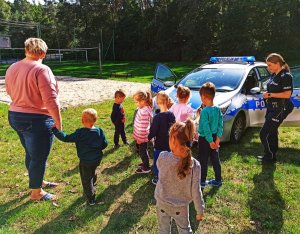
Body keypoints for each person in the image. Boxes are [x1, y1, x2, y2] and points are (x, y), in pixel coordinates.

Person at [5, 38, 62, 201]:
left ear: (26, 51)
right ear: (43, 53)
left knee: (31, 153)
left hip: (15, 116)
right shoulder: (42, 69)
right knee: (38, 157)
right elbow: (51, 100)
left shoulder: (12, 67)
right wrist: (58, 122)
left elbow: (9, 90)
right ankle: (36, 193)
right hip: (37, 119)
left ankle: (38, 181)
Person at [155, 120, 205, 233]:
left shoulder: (162, 157)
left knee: (163, 229)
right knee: (185, 230)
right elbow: (196, 191)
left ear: (172, 140)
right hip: (180, 207)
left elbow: (159, 169)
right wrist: (199, 210)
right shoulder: (195, 165)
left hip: (162, 202)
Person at [52, 108, 108, 205]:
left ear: (82, 121)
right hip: (97, 159)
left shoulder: (80, 133)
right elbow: (105, 144)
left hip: (85, 161)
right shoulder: (100, 131)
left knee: (86, 179)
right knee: (92, 171)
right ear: (95, 120)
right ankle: (93, 184)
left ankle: (91, 199)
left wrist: (55, 130)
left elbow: (66, 138)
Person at [258, 53, 294, 163]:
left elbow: (287, 94)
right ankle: (271, 157)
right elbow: (274, 89)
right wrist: (267, 93)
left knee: (264, 133)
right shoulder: (274, 75)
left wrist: (270, 95)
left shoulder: (286, 76)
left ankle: (269, 155)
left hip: (280, 109)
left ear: (277, 63)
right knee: (272, 132)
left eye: (270, 65)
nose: (268, 68)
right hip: (271, 107)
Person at [197, 82, 223, 189]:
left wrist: (210, 141)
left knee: (203, 160)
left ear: (203, 97)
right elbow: (220, 124)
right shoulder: (217, 109)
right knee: (215, 159)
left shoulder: (204, 112)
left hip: (205, 139)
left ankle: (202, 181)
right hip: (214, 137)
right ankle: (218, 179)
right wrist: (217, 139)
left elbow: (206, 127)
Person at [148, 91, 175, 185]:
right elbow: (174, 129)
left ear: (157, 102)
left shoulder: (157, 118)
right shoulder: (171, 115)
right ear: (167, 101)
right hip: (170, 143)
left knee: (157, 161)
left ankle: (157, 177)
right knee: (169, 159)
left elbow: (153, 131)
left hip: (159, 144)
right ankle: (169, 174)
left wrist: (149, 137)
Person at [133, 91, 153, 173]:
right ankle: (145, 163)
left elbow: (143, 127)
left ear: (143, 101)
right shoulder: (144, 108)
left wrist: (139, 138)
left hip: (142, 136)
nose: (136, 104)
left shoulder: (144, 112)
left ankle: (146, 168)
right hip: (140, 135)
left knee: (142, 151)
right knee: (143, 151)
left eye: (137, 102)